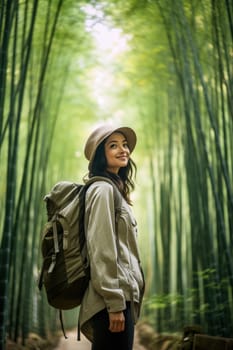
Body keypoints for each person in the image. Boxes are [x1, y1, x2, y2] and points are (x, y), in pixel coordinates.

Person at [79, 123, 145, 350]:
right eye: (113, 145)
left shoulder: (115, 190)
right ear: (100, 155)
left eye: (124, 145)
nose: (123, 149)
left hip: (119, 298)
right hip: (112, 301)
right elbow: (101, 248)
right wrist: (115, 303)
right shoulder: (103, 190)